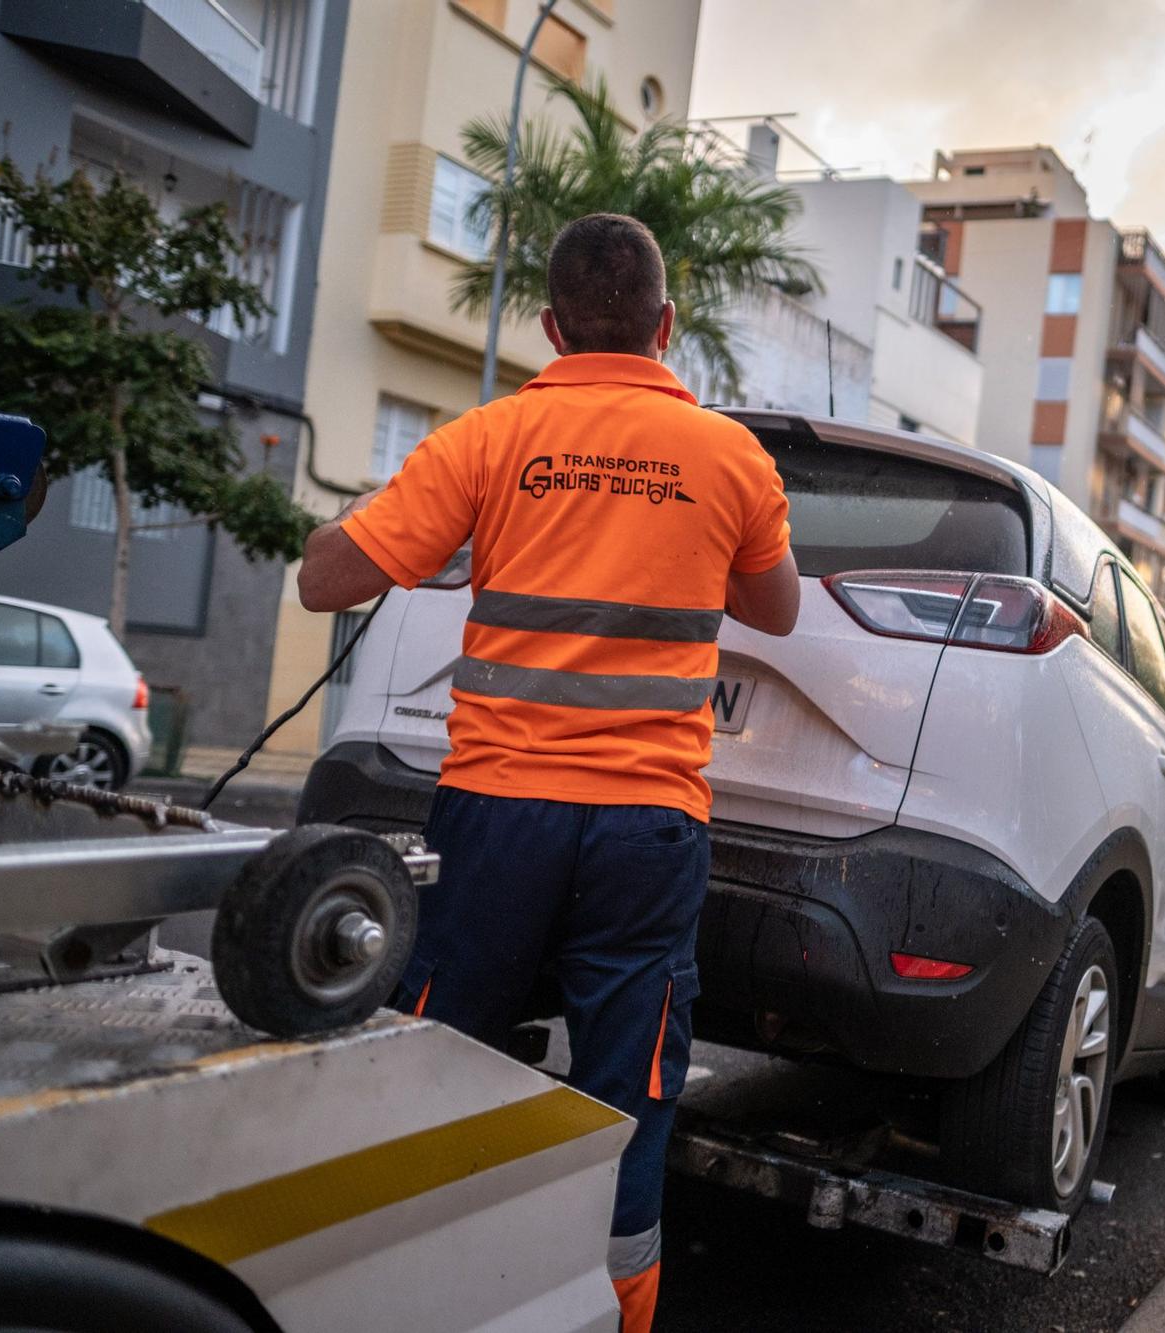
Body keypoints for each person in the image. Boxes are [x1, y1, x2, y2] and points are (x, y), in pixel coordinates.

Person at [297, 212, 800, 1333]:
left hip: (499, 812)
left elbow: (325, 582)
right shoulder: (728, 456)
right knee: (631, 1086)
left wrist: (407, 527)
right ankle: (616, 1311)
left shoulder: (487, 440)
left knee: (449, 1052)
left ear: (549, 327)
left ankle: (425, 1290)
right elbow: (776, 606)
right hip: (647, 828)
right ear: (667, 326)